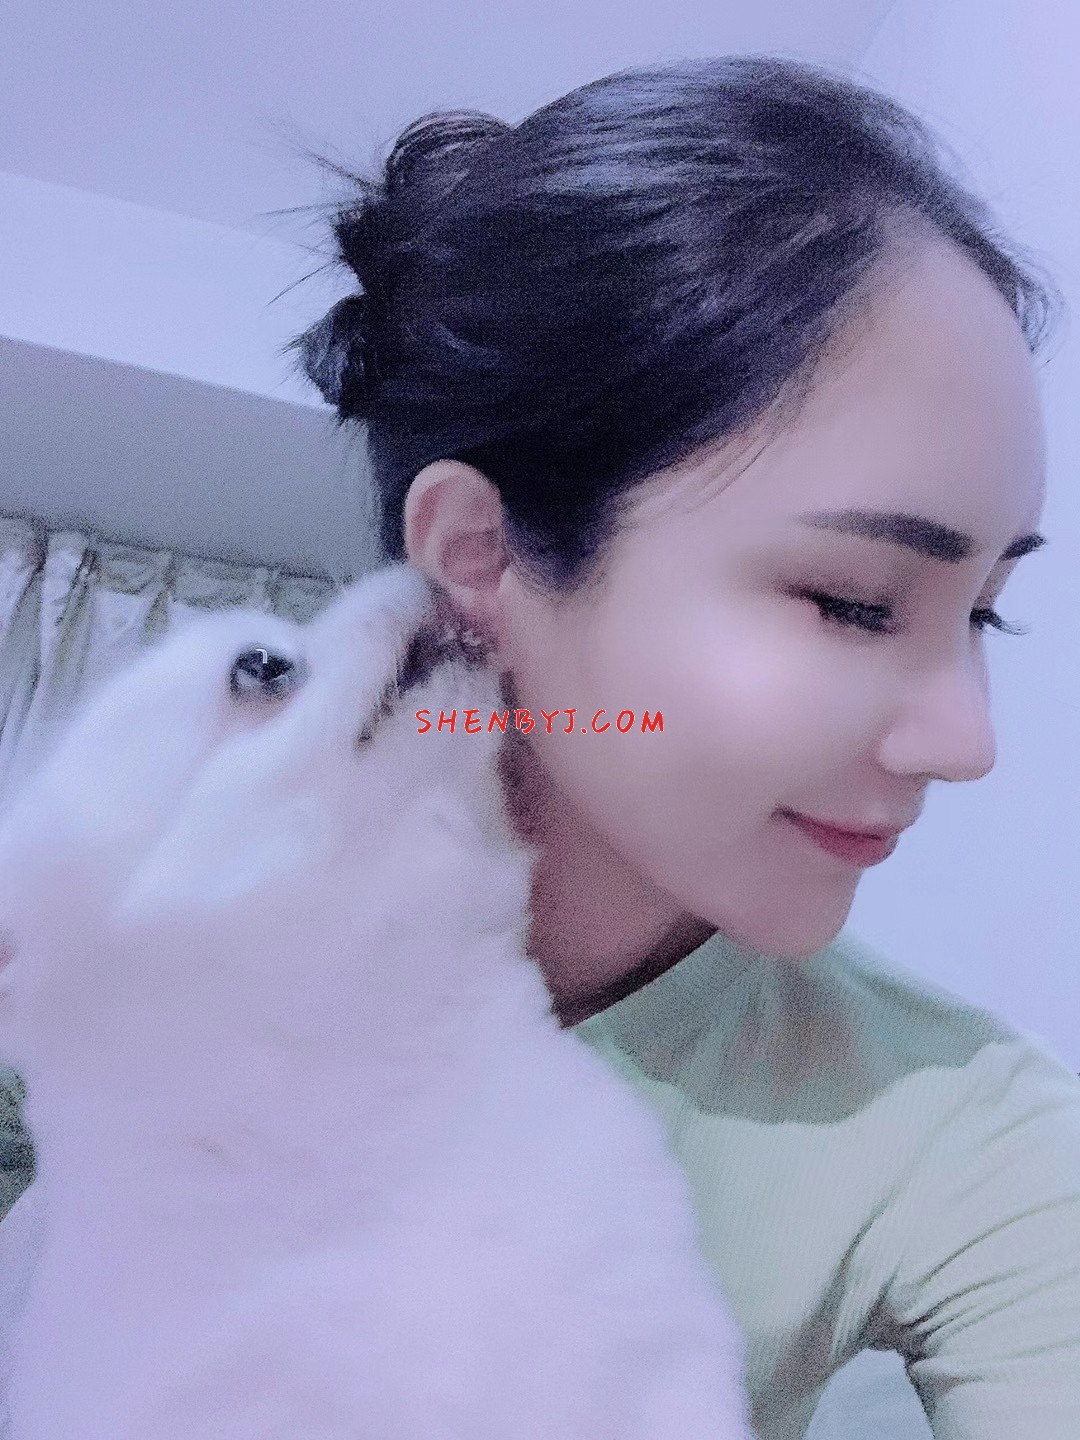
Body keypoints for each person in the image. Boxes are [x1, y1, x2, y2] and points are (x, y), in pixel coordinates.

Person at [1, 51, 1078, 1440]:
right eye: (855, 600)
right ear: (481, 552)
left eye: (984, 613)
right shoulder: (149, 904)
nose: (967, 741)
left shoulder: (962, 1130)